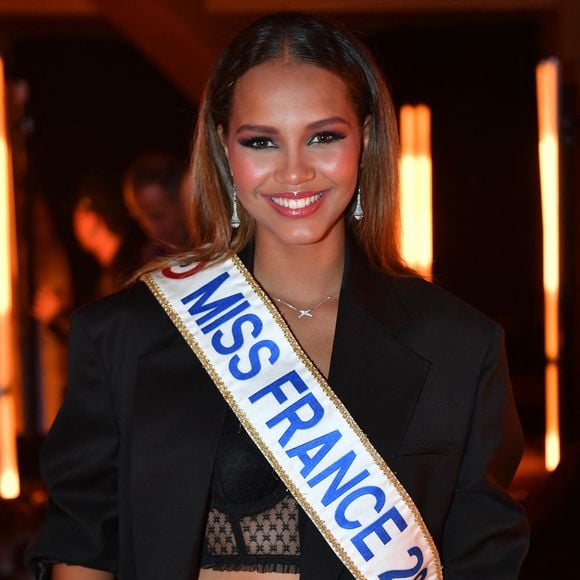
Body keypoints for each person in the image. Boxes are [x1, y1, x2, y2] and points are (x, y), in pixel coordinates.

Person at [27, 12, 528, 580]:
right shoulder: (126, 334)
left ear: (364, 140)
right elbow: (84, 543)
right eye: (262, 141)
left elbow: (482, 560)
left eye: (323, 136)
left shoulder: (459, 349)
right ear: (223, 148)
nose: (294, 172)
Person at [122, 153, 189, 260]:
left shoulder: (217, 246)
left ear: (184, 201)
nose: (151, 230)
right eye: (140, 218)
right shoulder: (153, 258)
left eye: (158, 216)